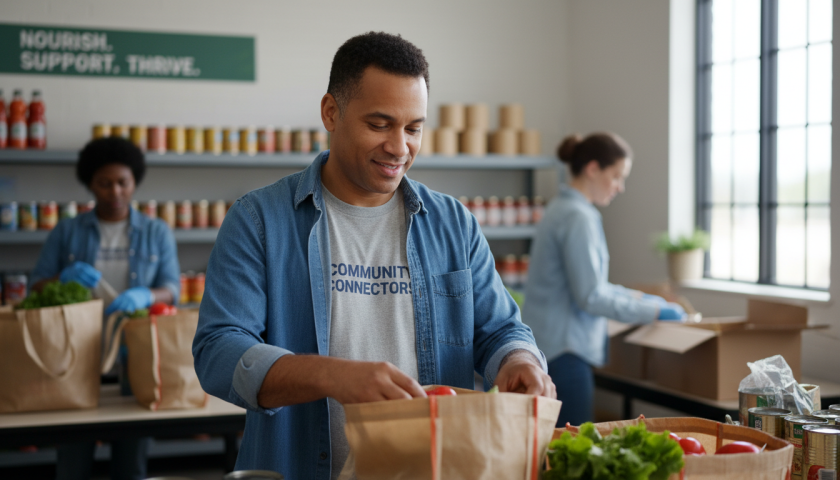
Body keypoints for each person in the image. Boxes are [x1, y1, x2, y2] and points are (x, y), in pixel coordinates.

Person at [192, 31, 555, 480]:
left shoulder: (452, 223)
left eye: (413, 128)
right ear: (331, 112)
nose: (399, 147)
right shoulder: (259, 219)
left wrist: (519, 360)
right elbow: (219, 350)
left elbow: (500, 329)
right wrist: (333, 377)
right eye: (379, 124)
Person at [30, 136, 180, 480]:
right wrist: (62, 278)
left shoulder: (157, 232)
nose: (115, 192)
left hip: (137, 355)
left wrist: (147, 295)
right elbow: (35, 286)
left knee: (131, 465)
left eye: (123, 182)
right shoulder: (67, 231)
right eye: (105, 183)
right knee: (72, 462)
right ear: (90, 184)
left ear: (134, 182)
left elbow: (172, 289)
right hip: (75, 355)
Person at [522, 133, 686, 427]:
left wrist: (641, 299)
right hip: (566, 351)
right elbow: (592, 296)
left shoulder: (561, 208)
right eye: (616, 176)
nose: (620, 187)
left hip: (550, 345)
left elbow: (593, 284)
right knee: (574, 447)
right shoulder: (578, 217)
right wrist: (656, 312)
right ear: (593, 168)